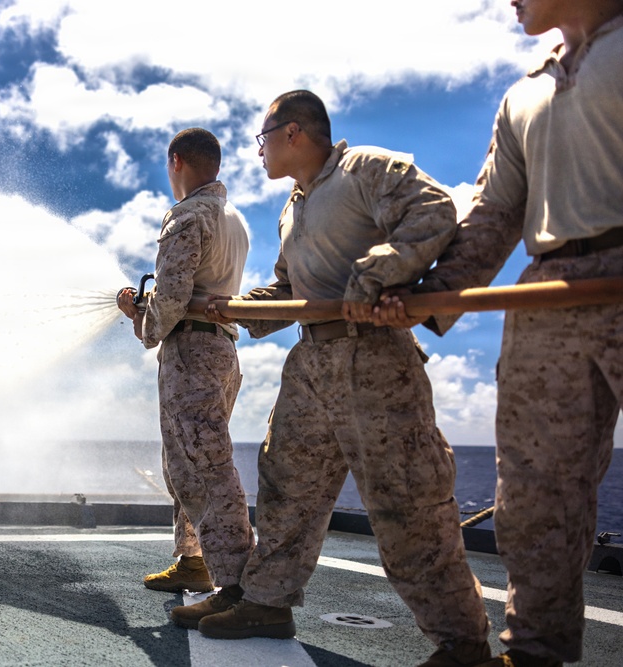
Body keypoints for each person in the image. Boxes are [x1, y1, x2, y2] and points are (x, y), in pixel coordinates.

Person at [187, 90, 492, 667]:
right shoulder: (291, 207)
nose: (259, 152)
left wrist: (371, 278)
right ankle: (267, 603)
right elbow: (286, 290)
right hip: (311, 362)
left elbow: (435, 211)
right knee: (285, 486)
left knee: (407, 502)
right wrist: (233, 307)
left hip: (375, 359)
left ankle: (463, 643)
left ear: (294, 133)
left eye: (263, 139)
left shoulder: (368, 170)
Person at [369, 2, 623, 665]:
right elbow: (494, 212)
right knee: (535, 492)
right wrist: (426, 297)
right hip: (547, 288)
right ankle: (533, 652)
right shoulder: (525, 90)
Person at [116, 128, 254, 602]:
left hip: (191, 353)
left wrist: (142, 320)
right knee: (189, 462)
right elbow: (199, 286)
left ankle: (237, 583)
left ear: (176, 161)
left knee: (203, 466)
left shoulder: (187, 215)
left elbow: (172, 298)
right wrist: (151, 310)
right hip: (222, 352)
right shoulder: (233, 219)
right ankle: (193, 561)